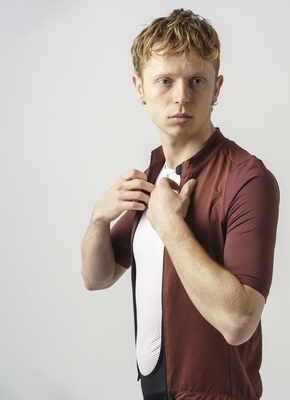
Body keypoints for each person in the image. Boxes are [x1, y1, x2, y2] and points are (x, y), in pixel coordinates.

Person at [81, 9, 279, 400]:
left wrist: (171, 227)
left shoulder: (247, 178)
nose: (181, 97)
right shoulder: (153, 174)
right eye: (165, 81)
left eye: (196, 81)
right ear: (139, 88)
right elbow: (97, 277)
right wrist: (98, 220)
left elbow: (239, 321)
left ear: (217, 89)